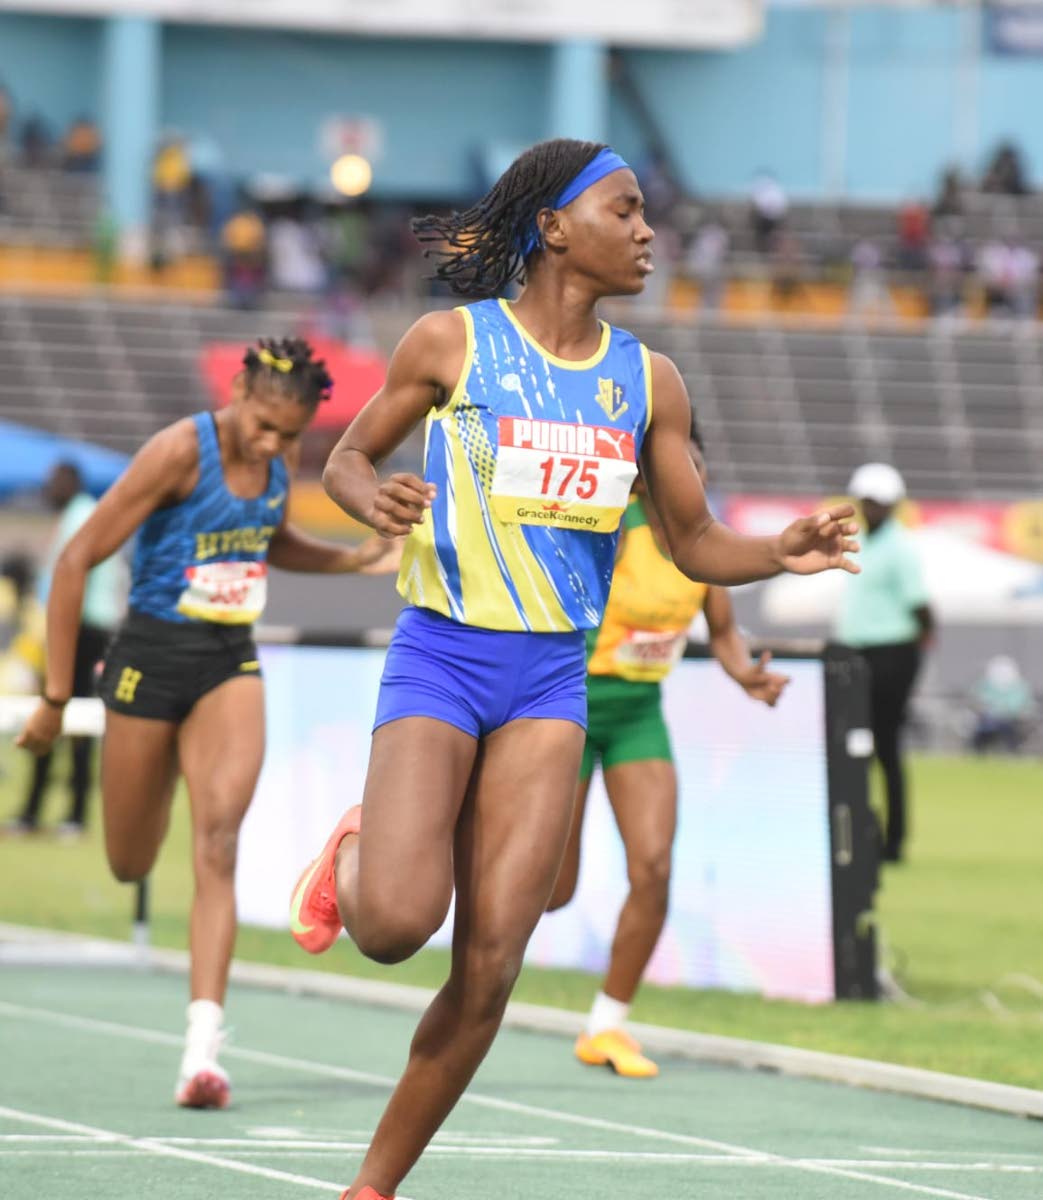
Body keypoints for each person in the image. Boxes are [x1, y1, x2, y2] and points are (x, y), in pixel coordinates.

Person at [289, 139, 859, 1200]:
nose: (648, 232)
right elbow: (344, 457)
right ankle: (356, 854)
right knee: (396, 927)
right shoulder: (448, 343)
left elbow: (693, 542)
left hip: (552, 678)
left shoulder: (649, 382)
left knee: (494, 962)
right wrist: (365, 495)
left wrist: (776, 550)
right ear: (552, 226)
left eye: (646, 215)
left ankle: (371, 1188)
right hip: (443, 655)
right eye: (625, 210)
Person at [16, 338, 399, 1109]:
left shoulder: (281, 461)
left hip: (229, 658)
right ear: (237, 394)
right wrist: (56, 701)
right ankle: (143, 818)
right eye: (264, 427)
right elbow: (74, 561)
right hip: (148, 658)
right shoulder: (177, 452)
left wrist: (350, 559)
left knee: (219, 842)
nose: (274, 445)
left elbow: (269, 542)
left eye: (290, 436)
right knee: (130, 860)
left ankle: (203, 1053)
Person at [547, 429, 790, 1078]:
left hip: (637, 717)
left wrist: (746, 676)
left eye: (701, 476)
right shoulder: (614, 530)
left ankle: (606, 1027)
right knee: (552, 891)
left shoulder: (703, 552)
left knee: (652, 866)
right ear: (646, 482)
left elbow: (725, 635)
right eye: (681, 478)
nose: (694, 491)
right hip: (568, 706)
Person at [10, 463, 123, 837]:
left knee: (72, 719)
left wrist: (56, 632)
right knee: (62, 718)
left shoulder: (81, 517)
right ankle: (42, 812)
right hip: (77, 627)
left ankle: (69, 814)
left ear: (71, 483)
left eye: (54, 482)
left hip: (81, 629)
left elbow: (74, 572)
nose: (48, 488)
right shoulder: (78, 514)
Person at [837, 463, 933, 864]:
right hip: (857, 655)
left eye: (878, 503)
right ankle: (863, 831)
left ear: (891, 506)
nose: (871, 509)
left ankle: (893, 841)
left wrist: (911, 663)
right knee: (854, 746)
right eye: (867, 502)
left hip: (891, 654)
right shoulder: (865, 543)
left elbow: (923, 610)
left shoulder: (901, 547)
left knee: (886, 747)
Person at [969, 655, 1036, 754]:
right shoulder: (985, 685)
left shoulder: (1020, 687)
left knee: (1010, 731)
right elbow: (977, 701)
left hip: (1012, 722)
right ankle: (978, 753)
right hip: (988, 721)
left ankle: (1012, 753)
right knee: (983, 730)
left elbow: (1023, 707)